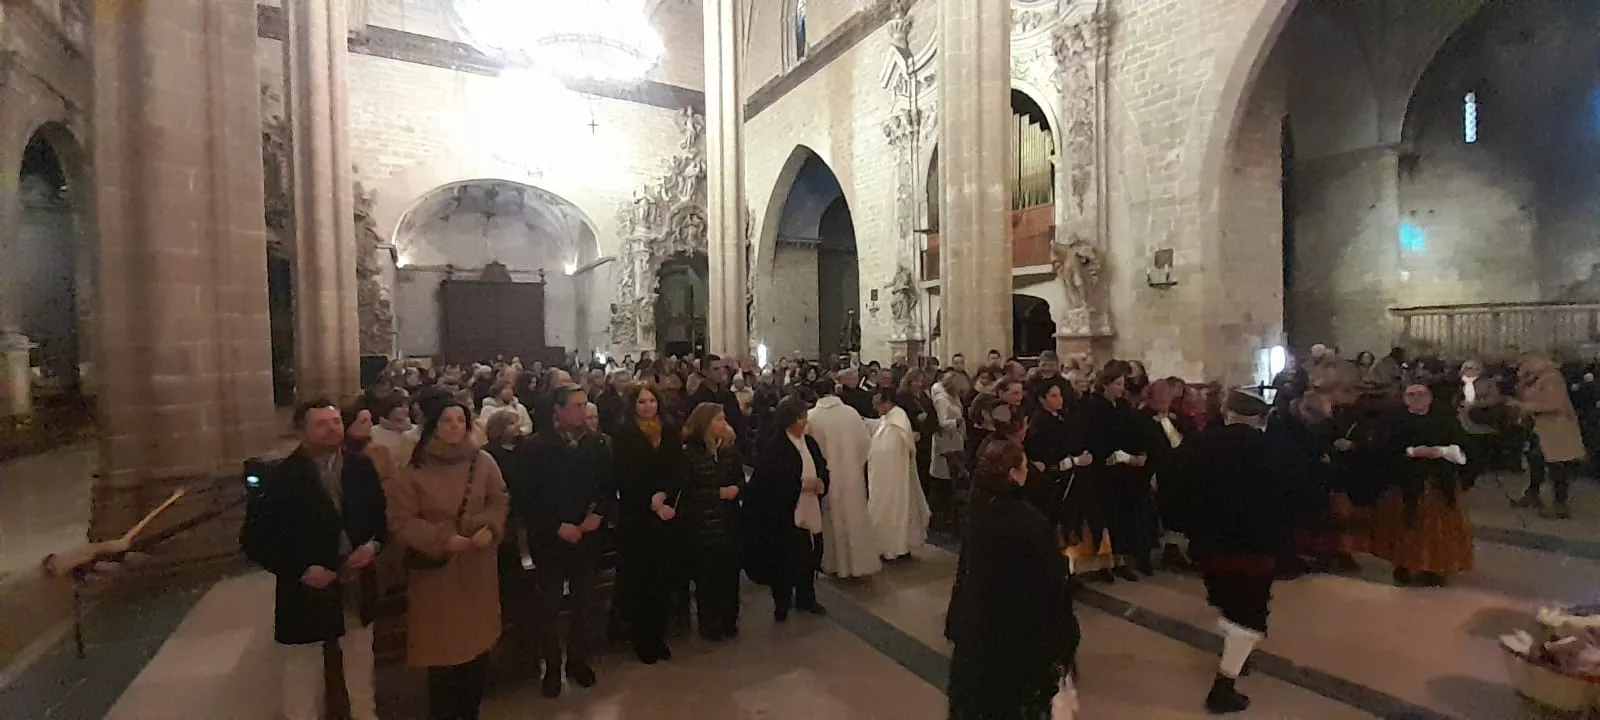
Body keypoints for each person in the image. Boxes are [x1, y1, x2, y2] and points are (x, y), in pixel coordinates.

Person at [242, 400, 388, 720]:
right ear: (302, 431)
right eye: (322, 423)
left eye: (336, 421)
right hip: (307, 585)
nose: (332, 428)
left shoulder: (360, 467)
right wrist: (300, 569)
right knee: (301, 673)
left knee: (360, 666)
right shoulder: (281, 476)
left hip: (355, 580)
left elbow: (380, 519)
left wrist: (373, 545)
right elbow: (255, 540)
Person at [386, 399, 508, 720]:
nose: (454, 427)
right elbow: (401, 520)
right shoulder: (414, 470)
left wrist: (490, 526)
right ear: (434, 426)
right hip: (437, 574)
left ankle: (470, 712)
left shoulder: (483, 462)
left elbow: (500, 500)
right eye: (447, 421)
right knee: (443, 655)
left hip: (476, 567)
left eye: (459, 421)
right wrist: (441, 539)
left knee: (476, 652)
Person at [947, 440, 1080, 720]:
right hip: (1017, 631)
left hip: (979, 624)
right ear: (1012, 473)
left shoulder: (979, 506)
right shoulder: (1027, 521)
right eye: (1023, 466)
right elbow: (1049, 585)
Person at [1182, 389, 1282, 714]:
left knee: (1228, 603)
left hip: (1210, 546)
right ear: (1257, 417)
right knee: (1249, 615)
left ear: (1228, 413)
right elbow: (1293, 493)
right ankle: (1222, 687)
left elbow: (1173, 487)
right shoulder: (1271, 449)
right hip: (1255, 547)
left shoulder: (1199, 444)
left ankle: (1237, 656)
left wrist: (1192, 530)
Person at [513, 384, 614, 698]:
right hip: (551, 540)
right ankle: (552, 667)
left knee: (584, 604)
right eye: (576, 406)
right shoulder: (533, 447)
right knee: (550, 607)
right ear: (557, 410)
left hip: (586, 536)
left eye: (585, 405)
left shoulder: (597, 444)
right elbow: (527, 496)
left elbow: (606, 485)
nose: (583, 412)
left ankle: (578, 660)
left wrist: (599, 514)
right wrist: (556, 525)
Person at [611, 383, 688, 663]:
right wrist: (650, 500)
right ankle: (642, 638)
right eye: (641, 402)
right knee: (641, 579)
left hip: (665, 511)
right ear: (633, 406)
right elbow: (624, 474)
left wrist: (664, 495)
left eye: (652, 401)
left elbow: (679, 468)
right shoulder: (623, 436)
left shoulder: (669, 431)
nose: (647, 406)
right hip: (638, 516)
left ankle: (659, 634)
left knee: (663, 577)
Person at [1371, 384, 1473, 587]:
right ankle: (1404, 565)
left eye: (1421, 394)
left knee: (1437, 528)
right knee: (1404, 525)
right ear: (1405, 399)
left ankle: (1435, 567)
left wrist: (1442, 452)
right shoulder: (1393, 419)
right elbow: (1382, 447)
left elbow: (1463, 443)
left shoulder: (1444, 418)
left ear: (1430, 397)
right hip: (1404, 482)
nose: (1417, 398)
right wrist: (1411, 452)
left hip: (1438, 482)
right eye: (1411, 395)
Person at [743, 396, 830, 621]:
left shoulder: (810, 443)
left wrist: (822, 482)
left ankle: (806, 596)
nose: (804, 422)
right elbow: (769, 482)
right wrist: (800, 485)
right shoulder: (776, 448)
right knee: (786, 558)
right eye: (799, 418)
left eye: (804, 417)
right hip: (785, 512)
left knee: (810, 554)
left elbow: (822, 467)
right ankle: (782, 602)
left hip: (810, 505)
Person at [1081, 361, 1155, 581]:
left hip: (1123, 470)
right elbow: (1091, 437)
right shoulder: (1092, 406)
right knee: (1104, 518)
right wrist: (1108, 454)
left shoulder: (1122, 407)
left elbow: (1132, 432)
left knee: (1123, 517)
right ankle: (1104, 563)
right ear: (1105, 384)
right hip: (1101, 470)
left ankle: (1122, 559)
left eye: (1123, 384)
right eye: (1118, 384)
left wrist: (1134, 454)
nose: (1122, 388)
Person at [680, 402, 747, 640]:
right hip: (703, 526)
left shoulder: (729, 452)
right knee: (708, 578)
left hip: (729, 522)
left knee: (729, 575)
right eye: (718, 419)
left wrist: (737, 490)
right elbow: (686, 493)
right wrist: (716, 494)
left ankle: (730, 619)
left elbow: (741, 480)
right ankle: (710, 623)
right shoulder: (690, 453)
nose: (724, 424)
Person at [806, 379, 881, 578]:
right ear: (835, 390)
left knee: (831, 520)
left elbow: (808, 451)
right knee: (854, 517)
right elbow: (865, 443)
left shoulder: (812, 417)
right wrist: (855, 464)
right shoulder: (851, 413)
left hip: (827, 477)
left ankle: (833, 564)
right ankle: (858, 564)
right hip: (851, 475)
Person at [1513, 357, 1586, 518]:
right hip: (1540, 428)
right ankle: (1533, 494)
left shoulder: (1552, 379)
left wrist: (1526, 407)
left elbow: (1555, 404)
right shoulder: (1535, 379)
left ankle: (1560, 503)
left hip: (1555, 429)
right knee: (1535, 460)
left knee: (1556, 466)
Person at [867, 388, 932, 560]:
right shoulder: (888, 418)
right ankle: (886, 546)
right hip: (884, 476)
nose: (875, 408)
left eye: (877, 405)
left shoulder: (898, 420)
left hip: (895, 475)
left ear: (888, 403)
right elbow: (878, 428)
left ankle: (896, 547)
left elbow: (895, 447)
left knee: (897, 509)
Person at [929, 369, 969, 532]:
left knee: (951, 480)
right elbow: (943, 422)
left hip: (955, 442)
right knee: (945, 480)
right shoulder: (942, 399)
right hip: (946, 444)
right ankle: (942, 519)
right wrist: (958, 421)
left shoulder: (953, 396)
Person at [371, 394, 420, 461]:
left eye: (406, 406)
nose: (405, 410)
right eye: (400, 407)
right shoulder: (373, 432)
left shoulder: (415, 430)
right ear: (390, 408)